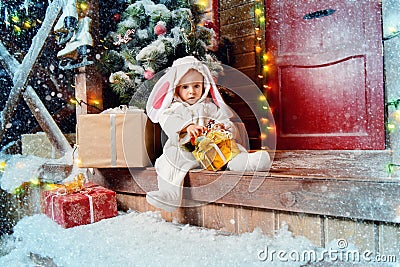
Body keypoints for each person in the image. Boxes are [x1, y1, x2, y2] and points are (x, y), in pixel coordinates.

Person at [145, 56, 270, 212]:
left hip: (212, 150)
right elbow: (168, 121)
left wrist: (223, 129)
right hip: (186, 152)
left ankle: (247, 163)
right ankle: (169, 194)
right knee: (168, 161)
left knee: (231, 149)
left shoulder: (210, 107)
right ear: (176, 89)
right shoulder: (174, 109)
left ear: (204, 86)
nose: (192, 91)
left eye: (196, 86)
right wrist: (187, 127)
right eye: (185, 87)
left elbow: (225, 121)